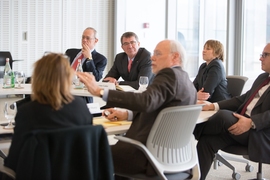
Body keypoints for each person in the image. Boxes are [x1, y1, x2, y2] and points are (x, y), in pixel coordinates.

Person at [77, 39, 197, 178]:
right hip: (174, 159)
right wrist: (128, 114)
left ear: (175, 57)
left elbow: (146, 100)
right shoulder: (187, 82)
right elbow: (161, 110)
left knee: (85, 152)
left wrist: (101, 92)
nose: (152, 57)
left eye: (157, 54)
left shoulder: (168, 75)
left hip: (145, 157)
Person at [4, 53, 93, 172]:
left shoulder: (27, 112)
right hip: (76, 173)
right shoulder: (81, 106)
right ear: (68, 77)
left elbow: (14, 160)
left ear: (37, 78)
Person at [193, 43, 270, 180]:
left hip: (260, 132)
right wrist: (213, 106)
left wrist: (251, 122)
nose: (260, 58)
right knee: (207, 141)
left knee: (223, 116)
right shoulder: (262, 78)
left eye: (265, 55)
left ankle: (189, 130)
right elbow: (241, 100)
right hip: (240, 125)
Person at [65, 27, 107, 103]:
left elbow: (96, 78)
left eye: (88, 38)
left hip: (81, 97)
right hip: (65, 90)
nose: (84, 40)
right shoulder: (70, 52)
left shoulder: (101, 59)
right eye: (83, 37)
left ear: (96, 40)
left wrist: (89, 58)